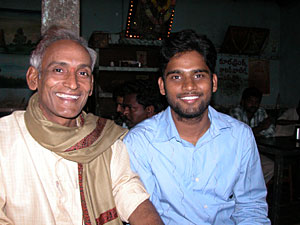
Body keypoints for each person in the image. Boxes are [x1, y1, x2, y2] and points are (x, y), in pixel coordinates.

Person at [0, 26, 163, 225]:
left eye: (83, 73)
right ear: (34, 78)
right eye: (58, 70)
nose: (73, 83)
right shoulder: (5, 138)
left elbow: (128, 192)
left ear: (92, 85)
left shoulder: (104, 139)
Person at [124, 29, 270, 224]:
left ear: (214, 82)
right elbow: (141, 209)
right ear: (162, 86)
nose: (189, 86)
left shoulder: (239, 136)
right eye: (176, 77)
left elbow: (251, 208)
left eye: (199, 75)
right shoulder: (140, 142)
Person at [230, 87, 275, 184]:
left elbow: (270, 132)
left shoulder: (261, 112)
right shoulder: (236, 112)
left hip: (254, 152)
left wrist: (254, 133)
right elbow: (240, 137)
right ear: (243, 101)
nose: (253, 105)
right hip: (236, 154)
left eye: (256, 102)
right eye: (250, 101)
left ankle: (252, 190)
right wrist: (261, 128)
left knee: (270, 166)